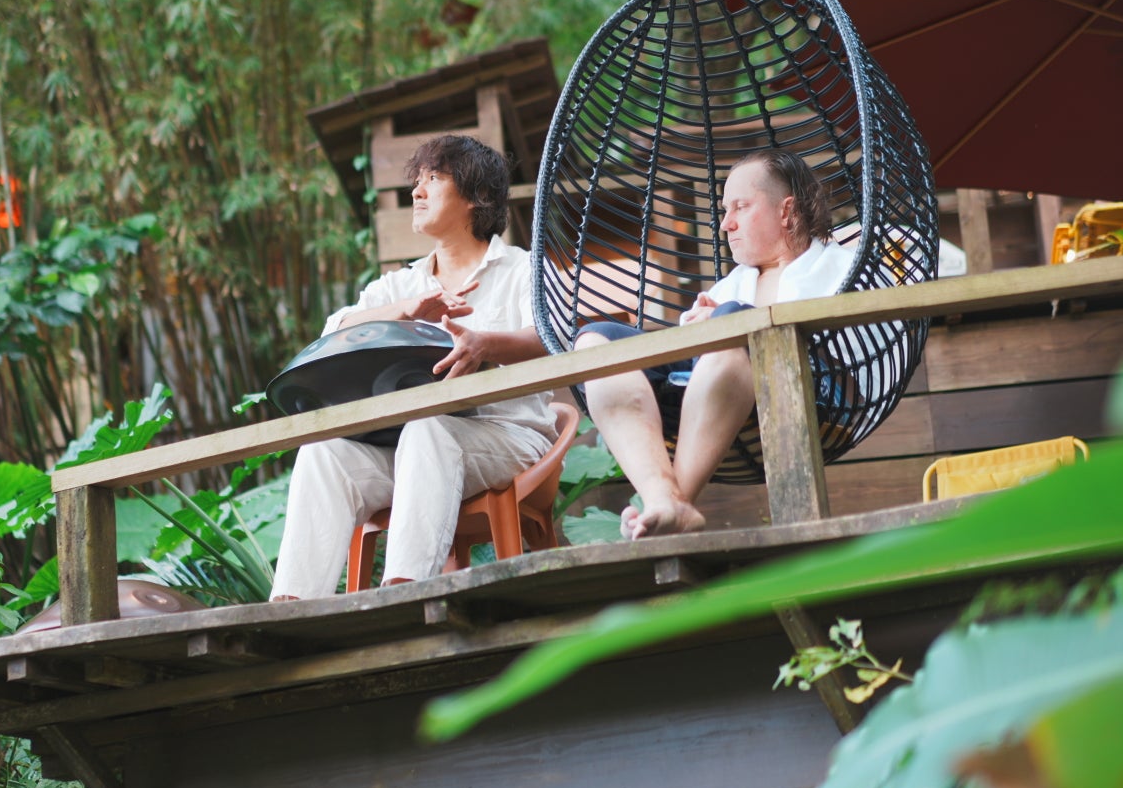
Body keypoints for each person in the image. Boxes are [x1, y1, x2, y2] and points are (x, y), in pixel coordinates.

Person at [269, 135, 555, 599]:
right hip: (407, 449)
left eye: (433, 179)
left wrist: (485, 345)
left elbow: (551, 336)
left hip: (508, 436)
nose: (416, 192)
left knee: (429, 428)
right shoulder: (401, 284)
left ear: (477, 196)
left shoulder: (524, 269)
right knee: (325, 453)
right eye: (416, 181)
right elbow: (333, 332)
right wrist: (402, 311)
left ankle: (404, 593)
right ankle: (290, 608)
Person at [575, 149, 855, 540]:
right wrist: (699, 328)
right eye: (725, 210)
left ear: (787, 211)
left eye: (741, 207)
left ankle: (676, 501)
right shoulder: (729, 287)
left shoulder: (843, 268)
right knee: (597, 340)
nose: (726, 224)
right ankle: (661, 498)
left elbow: (859, 354)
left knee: (731, 318)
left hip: (812, 395)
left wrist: (729, 319)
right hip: (709, 397)